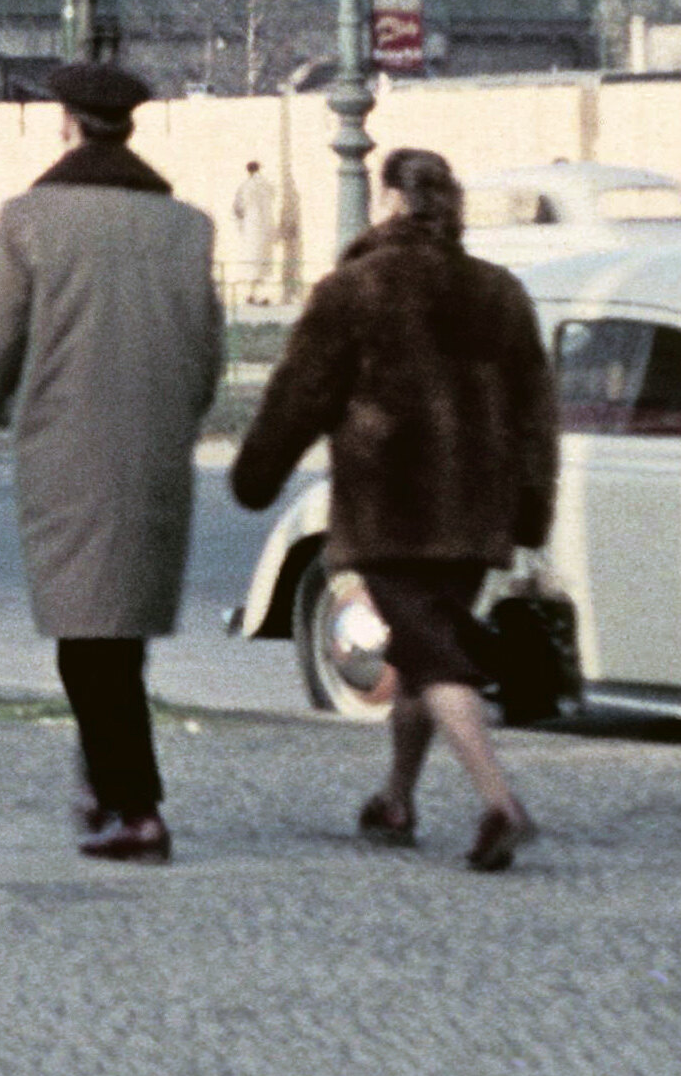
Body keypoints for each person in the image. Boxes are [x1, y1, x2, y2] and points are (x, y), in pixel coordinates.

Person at [0, 62, 224, 862]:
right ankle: (103, 783)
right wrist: (166, 424)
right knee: (116, 633)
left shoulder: (29, 220)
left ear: (66, 123)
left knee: (86, 641)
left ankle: (137, 808)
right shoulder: (186, 226)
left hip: (66, 456)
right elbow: (206, 359)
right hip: (155, 454)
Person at [230, 147, 557, 873]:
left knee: (433, 654)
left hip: (390, 506)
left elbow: (299, 395)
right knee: (421, 653)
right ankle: (396, 800)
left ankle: (498, 801)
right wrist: (531, 509)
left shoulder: (354, 289)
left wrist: (257, 473)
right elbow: (536, 414)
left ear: (387, 202)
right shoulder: (500, 292)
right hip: (476, 511)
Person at [230, 158, 298, 306]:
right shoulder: (267, 185)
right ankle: (257, 294)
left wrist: (241, 223)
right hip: (265, 226)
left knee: (253, 262)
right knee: (263, 263)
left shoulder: (245, 186)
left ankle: (253, 294)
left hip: (251, 227)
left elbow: (237, 209)